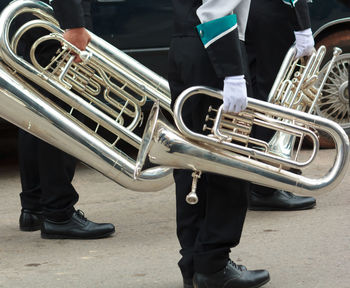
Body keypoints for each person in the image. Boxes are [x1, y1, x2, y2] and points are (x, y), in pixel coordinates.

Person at [168, 1, 274, 288]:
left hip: (187, 45)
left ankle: (194, 262)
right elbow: (213, 11)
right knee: (228, 163)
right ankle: (213, 265)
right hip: (215, 48)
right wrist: (233, 73)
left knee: (194, 164)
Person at [16, 0, 115, 239]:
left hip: (34, 16)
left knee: (39, 113)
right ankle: (59, 213)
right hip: (58, 19)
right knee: (64, 116)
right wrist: (74, 23)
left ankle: (35, 206)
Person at [245, 0, 317, 211]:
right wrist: (303, 27)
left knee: (256, 95)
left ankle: (253, 177)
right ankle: (264, 188)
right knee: (273, 96)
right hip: (274, 11)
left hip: (246, 12)